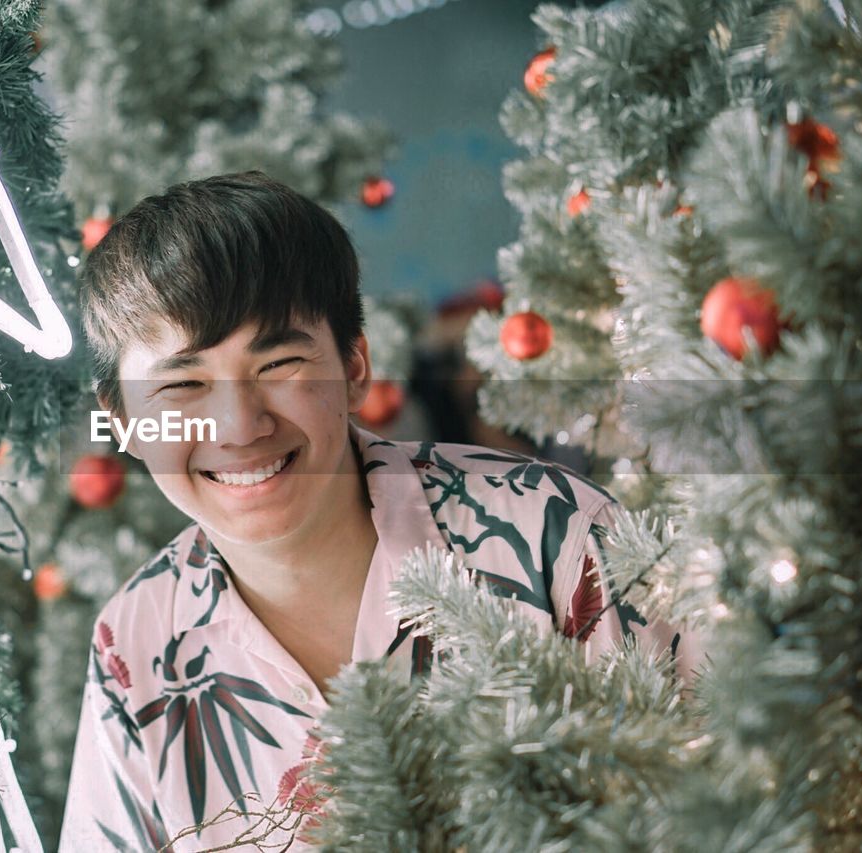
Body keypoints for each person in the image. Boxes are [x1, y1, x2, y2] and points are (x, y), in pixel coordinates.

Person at [59, 171, 695, 851]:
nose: (239, 425)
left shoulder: (554, 536)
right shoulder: (134, 642)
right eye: (182, 384)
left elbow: (728, 803)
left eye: (278, 365)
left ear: (356, 366)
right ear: (123, 422)